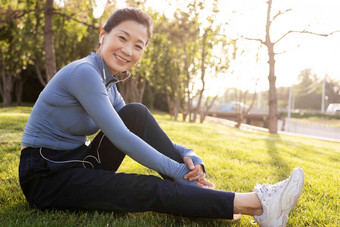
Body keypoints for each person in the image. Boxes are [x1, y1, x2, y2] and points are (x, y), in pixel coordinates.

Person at [19, 7, 304, 226]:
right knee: (149, 187)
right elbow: (120, 137)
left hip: (79, 163)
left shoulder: (109, 85)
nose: (128, 50)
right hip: (45, 176)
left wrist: (191, 157)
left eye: (138, 45)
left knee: (136, 113)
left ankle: (202, 192)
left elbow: (135, 126)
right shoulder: (84, 73)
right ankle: (257, 205)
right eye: (122, 38)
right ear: (103, 35)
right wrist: (177, 172)